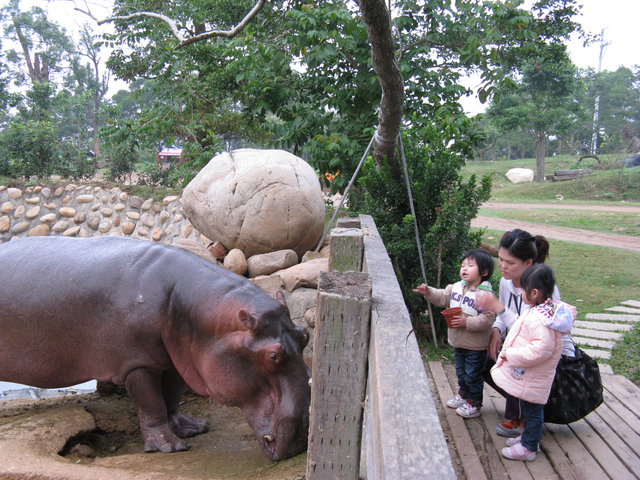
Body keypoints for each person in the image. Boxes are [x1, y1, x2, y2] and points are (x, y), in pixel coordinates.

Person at [476, 229, 575, 438]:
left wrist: (497, 307)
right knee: (484, 355)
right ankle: (519, 411)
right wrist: (496, 330)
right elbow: (506, 319)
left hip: (551, 355)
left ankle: (522, 418)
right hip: (524, 345)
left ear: (528, 263)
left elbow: (532, 329)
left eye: (510, 262)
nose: (503, 266)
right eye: (501, 259)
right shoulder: (506, 281)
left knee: (514, 362)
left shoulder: (543, 289)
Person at [491, 264, 575, 461]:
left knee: (534, 411)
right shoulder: (542, 312)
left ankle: (529, 447)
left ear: (535, 293)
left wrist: (511, 355)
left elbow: (540, 350)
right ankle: (528, 438)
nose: (520, 294)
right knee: (531, 410)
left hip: (536, 376)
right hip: (532, 375)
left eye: (522, 290)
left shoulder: (541, 320)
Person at [414, 249, 496, 419]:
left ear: (485, 272)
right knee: (461, 372)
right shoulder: (456, 287)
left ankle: (474, 403)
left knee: (473, 374)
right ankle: (464, 395)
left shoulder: (485, 295)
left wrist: (467, 322)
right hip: (458, 341)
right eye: (463, 265)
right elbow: (443, 297)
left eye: (470, 266)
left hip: (476, 345)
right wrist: (429, 292)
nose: (464, 268)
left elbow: (488, 319)